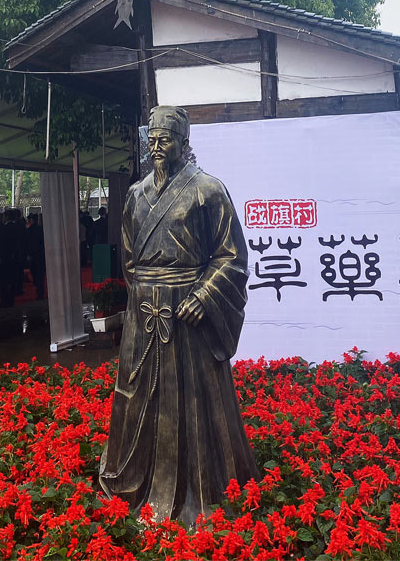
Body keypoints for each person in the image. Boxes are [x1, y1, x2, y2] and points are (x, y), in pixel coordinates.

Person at [99, 106, 258, 525]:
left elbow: (232, 256)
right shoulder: (136, 195)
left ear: (184, 143)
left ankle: (197, 490)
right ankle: (136, 482)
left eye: (165, 138)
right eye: (151, 139)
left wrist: (204, 295)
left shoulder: (208, 190)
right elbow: (130, 260)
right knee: (138, 396)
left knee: (191, 401)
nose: (156, 146)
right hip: (145, 313)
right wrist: (142, 299)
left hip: (189, 314)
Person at [26, 213, 46, 299]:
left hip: (34, 255)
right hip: (41, 255)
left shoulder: (30, 230)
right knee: (41, 275)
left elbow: (29, 243)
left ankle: (39, 290)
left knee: (36, 273)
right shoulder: (42, 229)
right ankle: (40, 291)